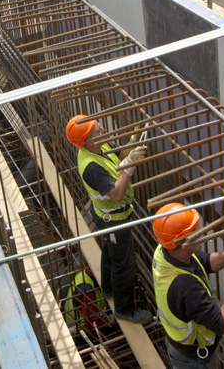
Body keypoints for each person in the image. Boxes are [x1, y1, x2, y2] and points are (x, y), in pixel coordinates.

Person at [66, 115, 152, 324]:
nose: (103, 130)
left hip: (104, 215)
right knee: (124, 264)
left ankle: (107, 288)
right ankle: (125, 310)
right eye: (97, 130)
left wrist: (131, 144)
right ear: (88, 141)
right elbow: (116, 194)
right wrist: (131, 163)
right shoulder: (92, 166)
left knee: (108, 248)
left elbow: (118, 157)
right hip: (114, 219)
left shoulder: (97, 147)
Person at [152, 203, 224, 369]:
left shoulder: (165, 251)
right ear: (183, 241)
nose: (203, 230)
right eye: (196, 229)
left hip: (178, 345)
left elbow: (206, 262)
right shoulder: (186, 287)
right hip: (193, 359)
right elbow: (222, 325)